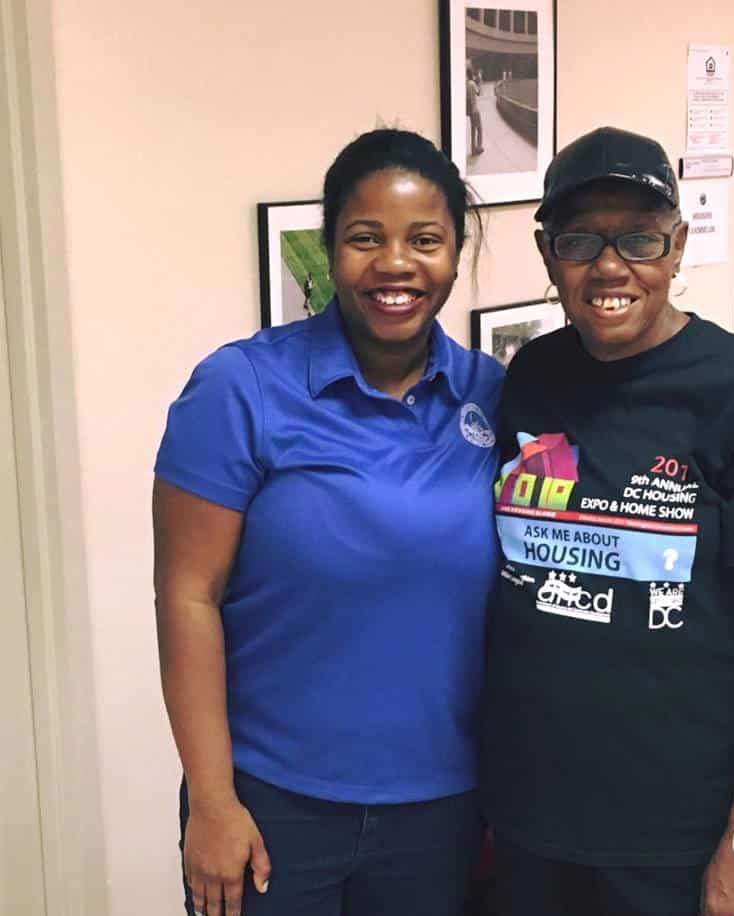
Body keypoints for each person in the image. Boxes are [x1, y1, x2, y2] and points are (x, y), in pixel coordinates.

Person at [481, 126, 734, 916]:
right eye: (581, 240)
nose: (610, 266)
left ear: (677, 248)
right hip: (527, 817)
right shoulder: (532, 377)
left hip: (674, 833)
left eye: (640, 238)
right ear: (548, 256)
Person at [153, 128, 503, 916]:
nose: (395, 265)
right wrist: (212, 804)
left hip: (442, 810)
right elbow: (186, 596)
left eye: (425, 240)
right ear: (329, 249)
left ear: (456, 253)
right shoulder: (240, 389)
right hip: (272, 804)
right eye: (364, 238)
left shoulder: (495, 396)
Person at [467, 64, 484, 156]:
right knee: (480, 129)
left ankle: (472, 149)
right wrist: (480, 80)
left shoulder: (466, 84)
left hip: (470, 111)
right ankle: (479, 148)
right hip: (475, 111)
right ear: (472, 73)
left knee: (473, 130)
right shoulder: (472, 84)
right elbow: (479, 93)